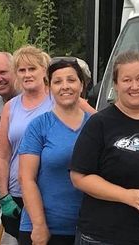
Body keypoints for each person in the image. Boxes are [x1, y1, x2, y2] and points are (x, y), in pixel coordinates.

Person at [0, 46, 96, 243]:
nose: (27, 74)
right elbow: (2, 155)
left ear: (44, 71)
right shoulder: (13, 108)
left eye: (32, 68)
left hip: (73, 208)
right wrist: (3, 195)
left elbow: (104, 123)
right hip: (21, 190)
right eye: (22, 70)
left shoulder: (65, 99)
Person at [70, 50, 139, 245]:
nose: (135, 86)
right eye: (126, 80)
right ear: (115, 85)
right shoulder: (99, 123)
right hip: (103, 236)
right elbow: (79, 177)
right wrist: (126, 196)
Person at [17, 59, 94, 245]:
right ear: (49, 87)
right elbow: (26, 179)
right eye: (58, 82)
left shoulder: (96, 125)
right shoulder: (39, 126)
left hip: (88, 229)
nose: (65, 86)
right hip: (45, 230)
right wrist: (39, 225)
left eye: (71, 80)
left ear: (81, 85)